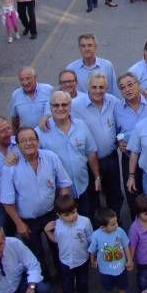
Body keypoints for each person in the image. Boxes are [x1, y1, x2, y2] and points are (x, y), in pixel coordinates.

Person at [0, 127, 72, 276]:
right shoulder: (10, 167)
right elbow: (7, 201)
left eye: (32, 139)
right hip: (27, 220)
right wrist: (19, 223)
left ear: (38, 141)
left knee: (58, 248)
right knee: (35, 254)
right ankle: (43, 282)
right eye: (23, 141)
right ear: (18, 145)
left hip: (51, 213)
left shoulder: (50, 157)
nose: (28, 143)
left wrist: (61, 211)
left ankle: (63, 278)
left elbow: (64, 183)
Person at [36, 91, 101, 220]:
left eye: (64, 104)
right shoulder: (40, 132)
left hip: (83, 187)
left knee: (86, 220)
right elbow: (26, 149)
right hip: (58, 194)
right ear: (50, 107)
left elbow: (91, 152)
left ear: (70, 106)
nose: (60, 108)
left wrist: (97, 177)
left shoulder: (81, 125)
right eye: (56, 105)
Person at [72, 73, 124, 219]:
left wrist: (120, 139)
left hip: (111, 157)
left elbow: (122, 124)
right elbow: (59, 112)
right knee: (92, 195)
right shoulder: (76, 105)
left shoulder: (113, 102)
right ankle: (97, 227)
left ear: (106, 88)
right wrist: (46, 117)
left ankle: (115, 221)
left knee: (114, 193)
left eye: (101, 87)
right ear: (88, 87)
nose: (98, 91)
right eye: (94, 87)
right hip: (89, 160)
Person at [44, 196, 94, 293]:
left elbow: (91, 239)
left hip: (82, 259)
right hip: (65, 262)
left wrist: (93, 256)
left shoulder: (85, 221)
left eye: (73, 212)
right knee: (67, 286)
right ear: (59, 215)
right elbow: (57, 240)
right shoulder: (57, 225)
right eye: (66, 215)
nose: (71, 217)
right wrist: (47, 231)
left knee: (83, 281)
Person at [115, 72, 147, 218]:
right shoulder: (117, 109)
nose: (127, 89)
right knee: (132, 194)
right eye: (122, 87)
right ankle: (137, 227)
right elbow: (116, 132)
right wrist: (119, 142)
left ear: (138, 85)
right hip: (129, 157)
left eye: (130, 85)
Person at [88, 207, 133, 293]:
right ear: (102, 227)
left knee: (122, 285)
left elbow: (126, 246)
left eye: (116, 221)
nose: (116, 225)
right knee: (107, 286)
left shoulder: (120, 231)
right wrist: (92, 260)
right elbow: (92, 250)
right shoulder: (96, 236)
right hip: (105, 269)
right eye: (113, 224)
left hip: (121, 267)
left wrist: (130, 260)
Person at [9, 67, 53, 132]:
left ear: (35, 78)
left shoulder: (48, 90)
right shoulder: (15, 95)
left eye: (28, 78)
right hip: (28, 137)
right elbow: (15, 120)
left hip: (47, 132)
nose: (25, 83)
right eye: (22, 79)